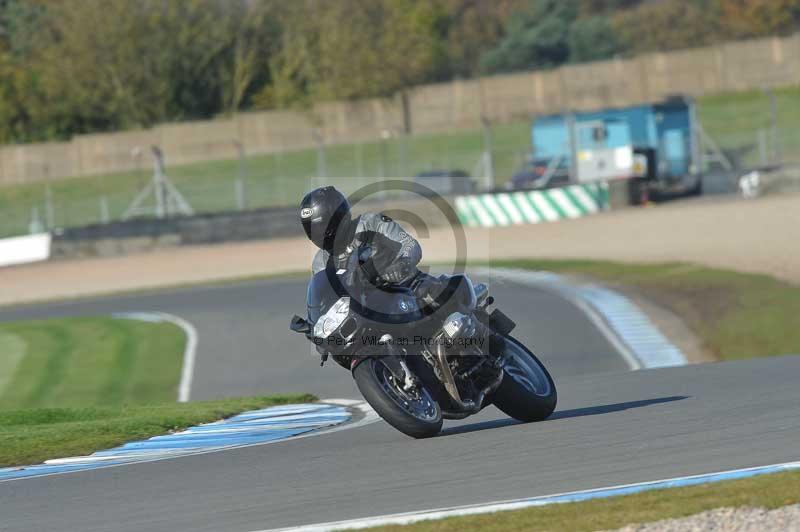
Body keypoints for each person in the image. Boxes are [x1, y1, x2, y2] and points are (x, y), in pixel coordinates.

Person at [300, 186, 422, 287]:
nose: (318, 233)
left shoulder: (371, 224)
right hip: (366, 311)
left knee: (428, 291)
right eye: (312, 229)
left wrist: (401, 265)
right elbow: (324, 298)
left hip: (403, 289)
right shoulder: (320, 263)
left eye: (322, 226)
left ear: (339, 217)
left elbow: (410, 244)